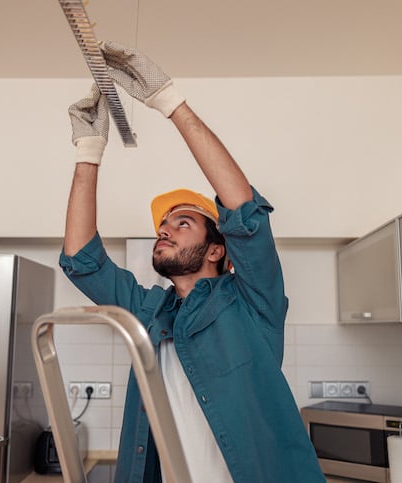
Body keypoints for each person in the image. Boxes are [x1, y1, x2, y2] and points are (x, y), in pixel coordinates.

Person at [60, 40, 326, 483]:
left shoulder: (252, 302)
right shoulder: (150, 311)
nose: (163, 229)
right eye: (162, 224)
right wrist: (88, 153)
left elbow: (246, 215)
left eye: (182, 222)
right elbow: (82, 261)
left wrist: (170, 103)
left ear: (217, 248)